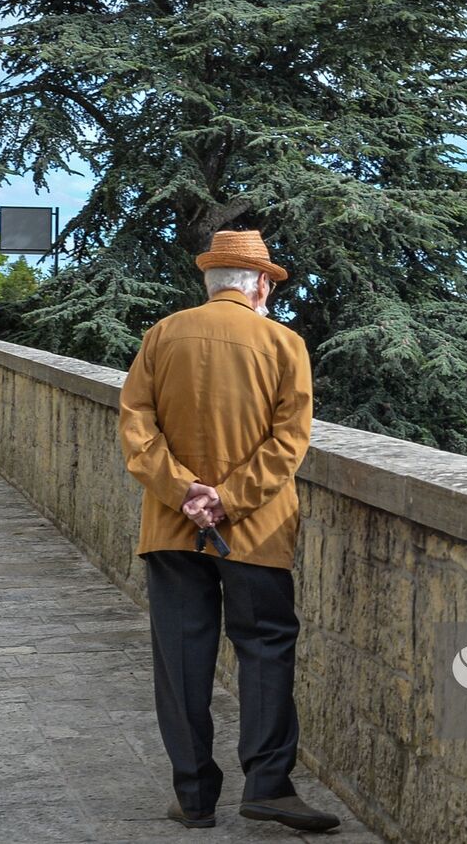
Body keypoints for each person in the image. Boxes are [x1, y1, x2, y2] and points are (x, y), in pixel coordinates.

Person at [118, 230, 337, 833]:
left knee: (183, 659)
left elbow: (136, 425)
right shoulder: (284, 342)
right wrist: (229, 499)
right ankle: (267, 785)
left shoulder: (162, 335)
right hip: (257, 530)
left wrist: (182, 491)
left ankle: (194, 796)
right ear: (262, 284)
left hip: (171, 525)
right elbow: (289, 441)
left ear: (211, 282)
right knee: (264, 649)